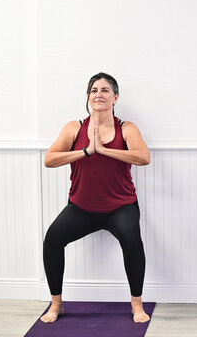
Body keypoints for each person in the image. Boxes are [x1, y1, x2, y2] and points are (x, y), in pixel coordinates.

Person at [41, 72, 151, 323]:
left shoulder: (127, 128)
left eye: (104, 90)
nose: (98, 94)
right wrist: (87, 151)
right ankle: (56, 303)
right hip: (81, 207)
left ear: (115, 97)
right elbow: (49, 160)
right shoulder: (74, 128)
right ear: (88, 97)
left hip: (121, 207)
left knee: (133, 242)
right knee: (52, 241)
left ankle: (137, 304)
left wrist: (105, 150)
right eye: (93, 90)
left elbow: (143, 157)